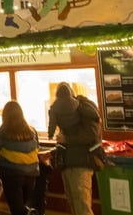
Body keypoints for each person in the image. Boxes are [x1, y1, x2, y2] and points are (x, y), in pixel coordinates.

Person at [50, 82, 102, 215]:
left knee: (82, 206)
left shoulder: (85, 109)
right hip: (68, 163)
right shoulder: (70, 110)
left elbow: (91, 134)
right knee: (75, 204)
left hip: (81, 164)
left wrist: (66, 139)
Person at [0, 101, 40, 215]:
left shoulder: (3, 132)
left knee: (17, 210)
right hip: (31, 175)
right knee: (23, 208)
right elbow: (37, 148)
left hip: (12, 175)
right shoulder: (31, 131)